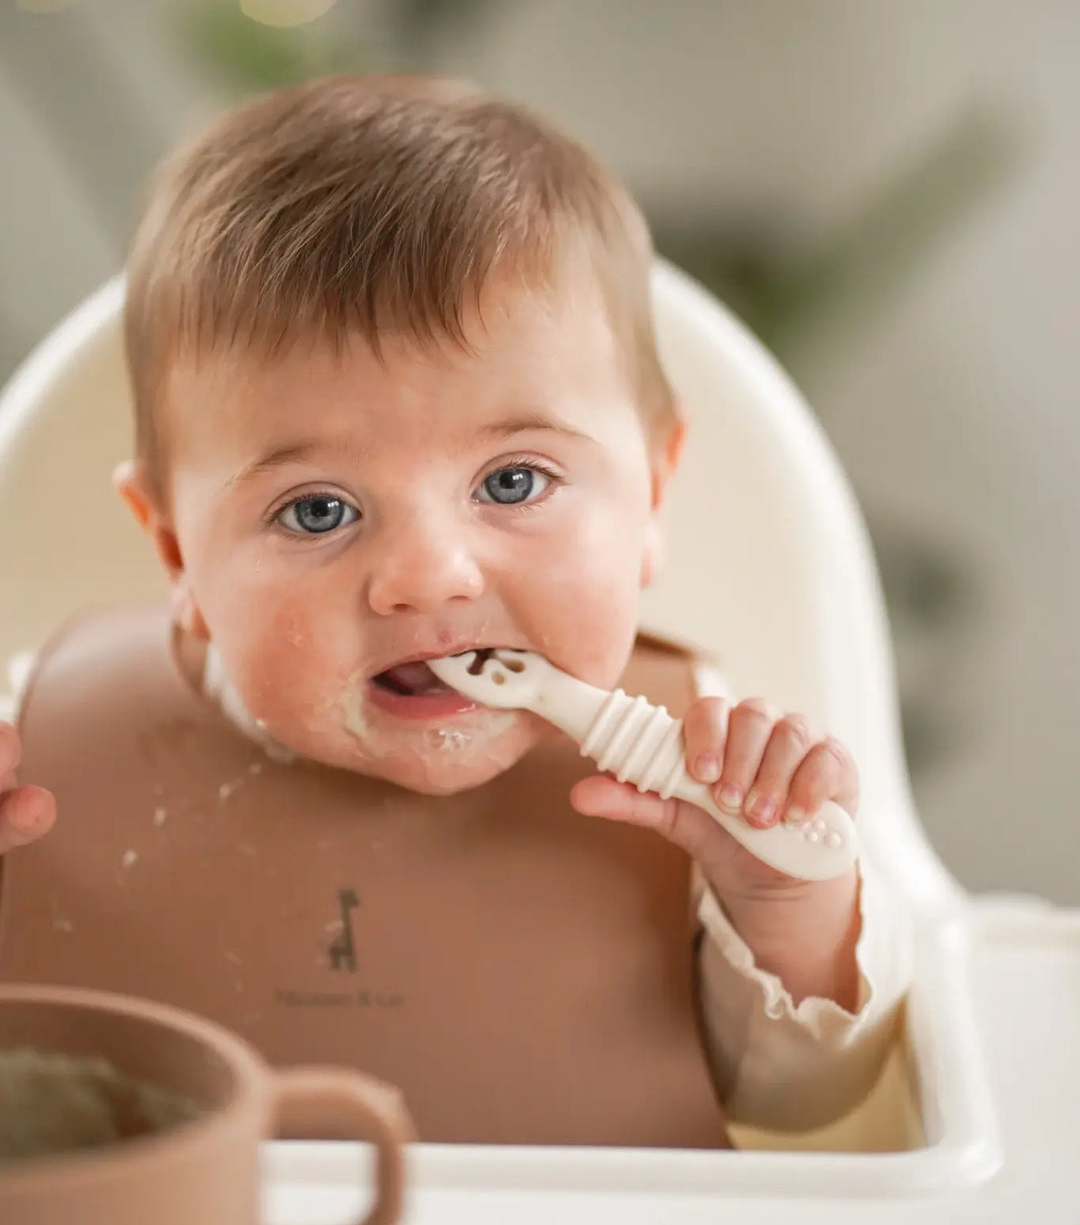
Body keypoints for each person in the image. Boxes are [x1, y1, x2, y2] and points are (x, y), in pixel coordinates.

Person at [0, 76, 909, 1134]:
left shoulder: (699, 784)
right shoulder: (44, 742)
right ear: (174, 550)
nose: (429, 577)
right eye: (317, 509)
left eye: (513, 483)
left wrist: (789, 906)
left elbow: (809, 1108)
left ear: (653, 493)